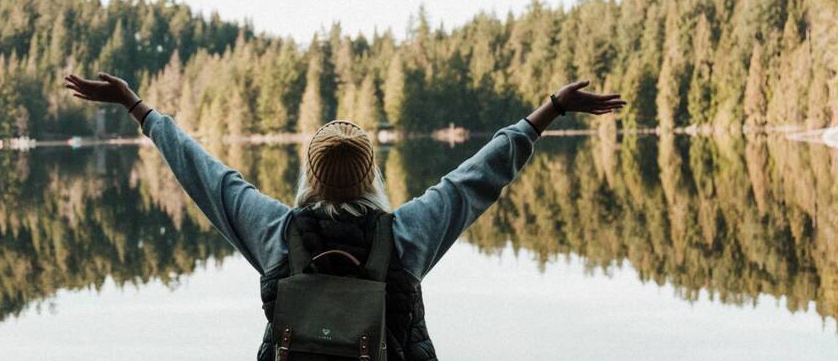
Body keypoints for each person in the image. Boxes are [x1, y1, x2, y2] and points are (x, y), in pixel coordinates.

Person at [64, 72, 625, 360]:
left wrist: (137, 107)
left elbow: (203, 172)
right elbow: (481, 175)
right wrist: (551, 108)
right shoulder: (406, 233)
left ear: (309, 176)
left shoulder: (277, 234)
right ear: (372, 176)